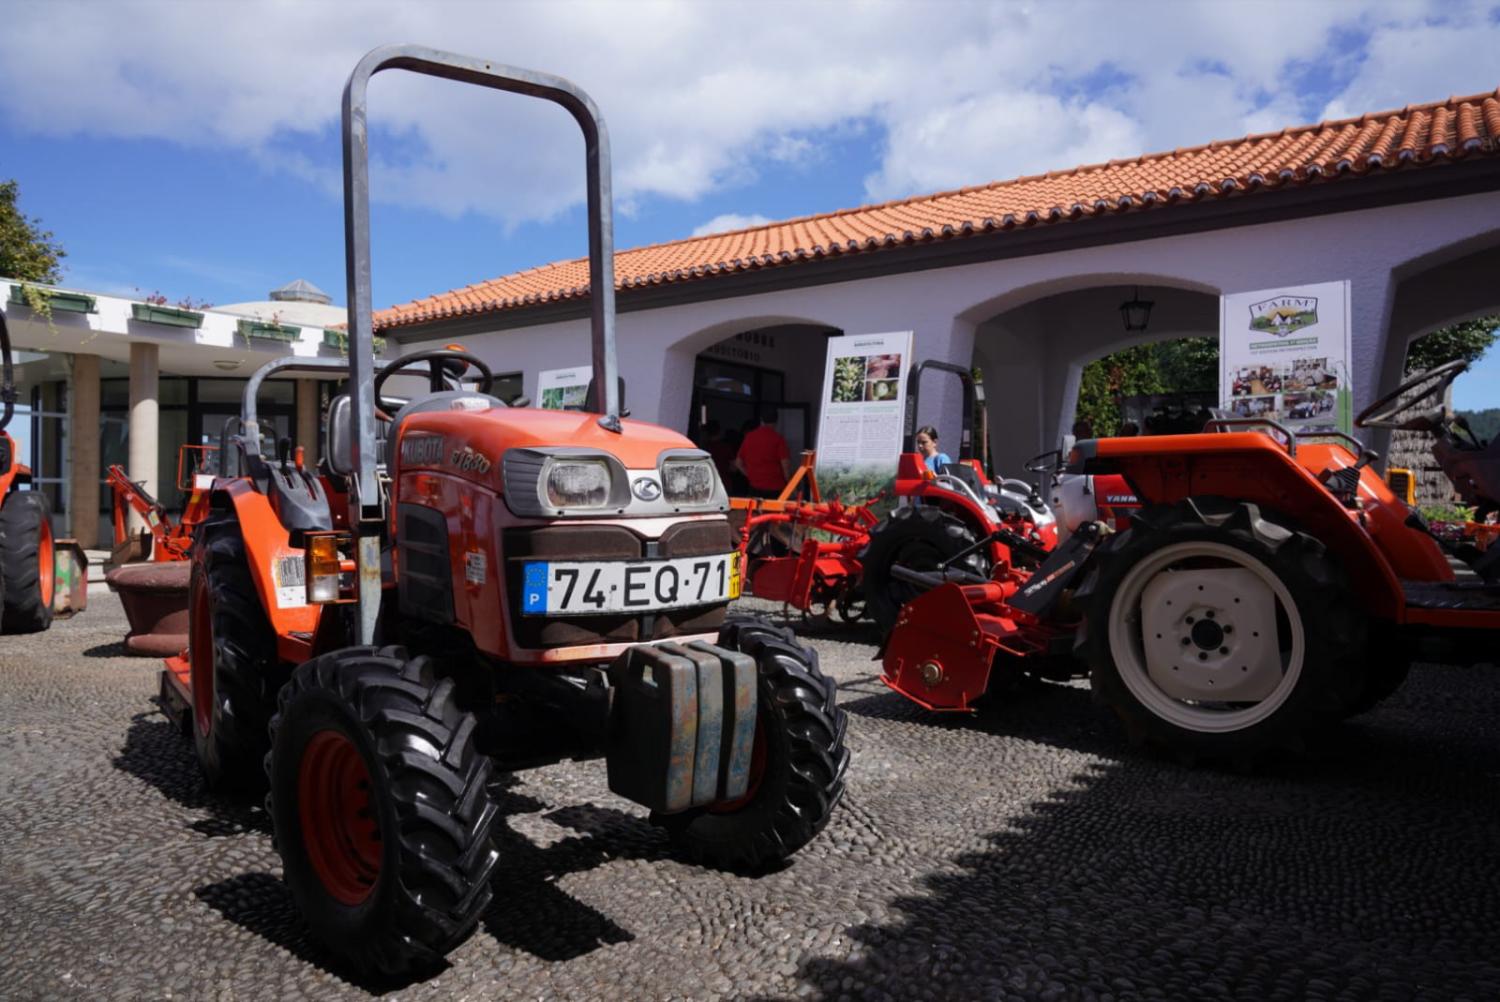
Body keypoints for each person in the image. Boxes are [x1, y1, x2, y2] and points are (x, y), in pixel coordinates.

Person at [735, 406, 790, 498]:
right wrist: (791, 486)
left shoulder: (749, 437)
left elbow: (738, 463)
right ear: (776, 421)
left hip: (754, 487)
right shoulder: (778, 439)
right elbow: (786, 467)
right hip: (775, 487)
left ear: (761, 420)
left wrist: (750, 476)